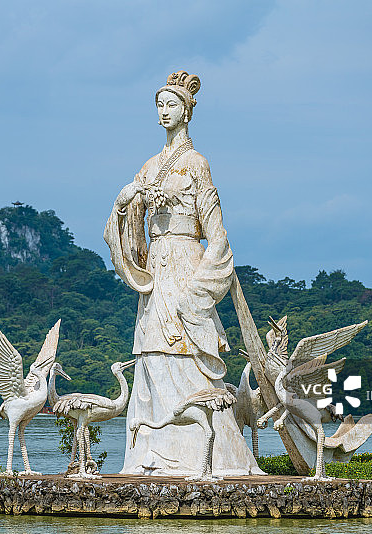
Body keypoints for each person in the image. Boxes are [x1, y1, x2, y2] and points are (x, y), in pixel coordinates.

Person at [105, 71, 262, 476]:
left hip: (185, 266)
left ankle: (208, 457)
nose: (163, 112)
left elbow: (217, 234)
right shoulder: (150, 166)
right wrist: (126, 203)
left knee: (186, 357)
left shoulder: (197, 164)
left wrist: (199, 290)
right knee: (151, 354)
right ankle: (149, 458)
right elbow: (123, 227)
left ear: (187, 111)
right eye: (158, 105)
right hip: (156, 270)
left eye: (171, 105)